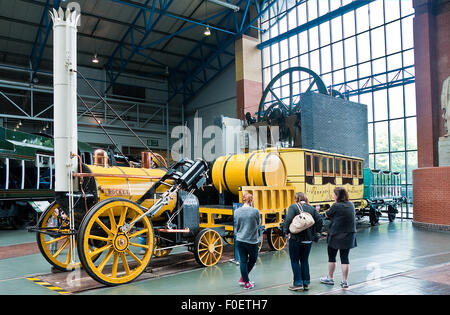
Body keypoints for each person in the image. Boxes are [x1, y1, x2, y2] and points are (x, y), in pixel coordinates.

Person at [283, 192, 323, 291]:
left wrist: (285, 232)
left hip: (296, 239)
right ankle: (306, 282)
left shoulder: (293, 207)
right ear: (305, 198)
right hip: (308, 240)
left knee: (295, 261)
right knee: (304, 260)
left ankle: (297, 283)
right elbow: (320, 221)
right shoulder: (311, 208)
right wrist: (316, 233)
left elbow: (288, 220)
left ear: (296, 198)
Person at [320, 187, 357, 289]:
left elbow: (326, 215)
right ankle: (345, 281)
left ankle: (330, 278)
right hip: (349, 235)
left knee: (332, 257)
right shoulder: (351, 205)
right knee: (345, 258)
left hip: (336, 235)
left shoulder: (336, 206)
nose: (333, 196)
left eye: (334, 194)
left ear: (338, 196)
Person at [234, 192, 261, 290]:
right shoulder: (255, 211)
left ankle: (244, 279)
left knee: (243, 261)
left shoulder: (236, 211)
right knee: (253, 259)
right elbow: (259, 223)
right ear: (251, 200)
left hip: (240, 239)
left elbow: (237, 224)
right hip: (252, 240)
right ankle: (246, 283)